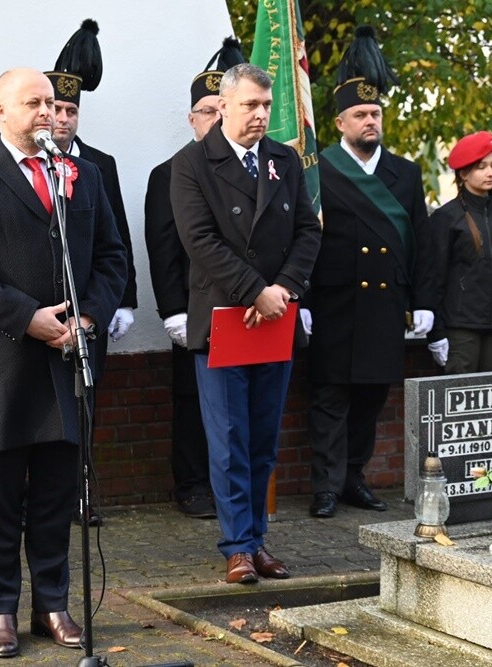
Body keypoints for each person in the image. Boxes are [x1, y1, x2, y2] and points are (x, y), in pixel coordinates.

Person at [0, 68, 126, 659]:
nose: (47, 111)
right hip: (6, 362)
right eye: (33, 102)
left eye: (52, 102)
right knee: (0, 502)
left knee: (54, 496)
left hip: (69, 361)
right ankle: (0, 611)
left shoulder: (84, 176)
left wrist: (87, 318)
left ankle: (52, 605)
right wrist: (28, 317)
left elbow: (113, 255)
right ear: (0, 110)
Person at [171, 63, 321, 584]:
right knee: (230, 437)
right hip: (224, 319)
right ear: (224, 107)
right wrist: (255, 290)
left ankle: (257, 541)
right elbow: (200, 241)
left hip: (275, 315)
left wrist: (282, 289)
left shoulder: (285, 160)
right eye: (250, 106)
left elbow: (308, 230)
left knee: (263, 439)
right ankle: (236, 546)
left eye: (266, 106)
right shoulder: (192, 163)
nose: (260, 115)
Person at [303, 26, 435, 519]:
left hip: (383, 304)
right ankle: (325, 486)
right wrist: (304, 302)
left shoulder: (406, 172)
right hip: (335, 301)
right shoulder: (318, 170)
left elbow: (419, 240)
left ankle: (354, 478)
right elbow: (305, 239)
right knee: (330, 397)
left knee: (369, 398)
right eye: (360, 114)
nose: (370, 121)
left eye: (375, 113)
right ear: (340, 122)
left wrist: (423, 301)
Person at [143, 38, 244, 519]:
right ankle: (191, 485)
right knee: (191, 402)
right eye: (206, 111)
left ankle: (230, 489)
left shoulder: (246, 170)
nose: (214, 119)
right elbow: (163, 250)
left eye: (220, 110)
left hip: (239, 306)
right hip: (194, 309)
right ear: (192, 118)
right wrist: (173, 311)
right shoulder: (169, 174)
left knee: (235, 405)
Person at [46, 19, 138, 343]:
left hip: (93, 308)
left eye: (71, 111)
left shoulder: (100, 164)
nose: (63, 118)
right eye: (56, 109)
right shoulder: (27, 163)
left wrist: (125, 300)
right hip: (44, 311)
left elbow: (118, 238)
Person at [426, 131, 492, 374]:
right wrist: (436, 332)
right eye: (481, 167)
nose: (490, 172)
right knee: (459, 400)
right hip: (461, 327)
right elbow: (434, 277)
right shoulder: (446, 217)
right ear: (463, 173)